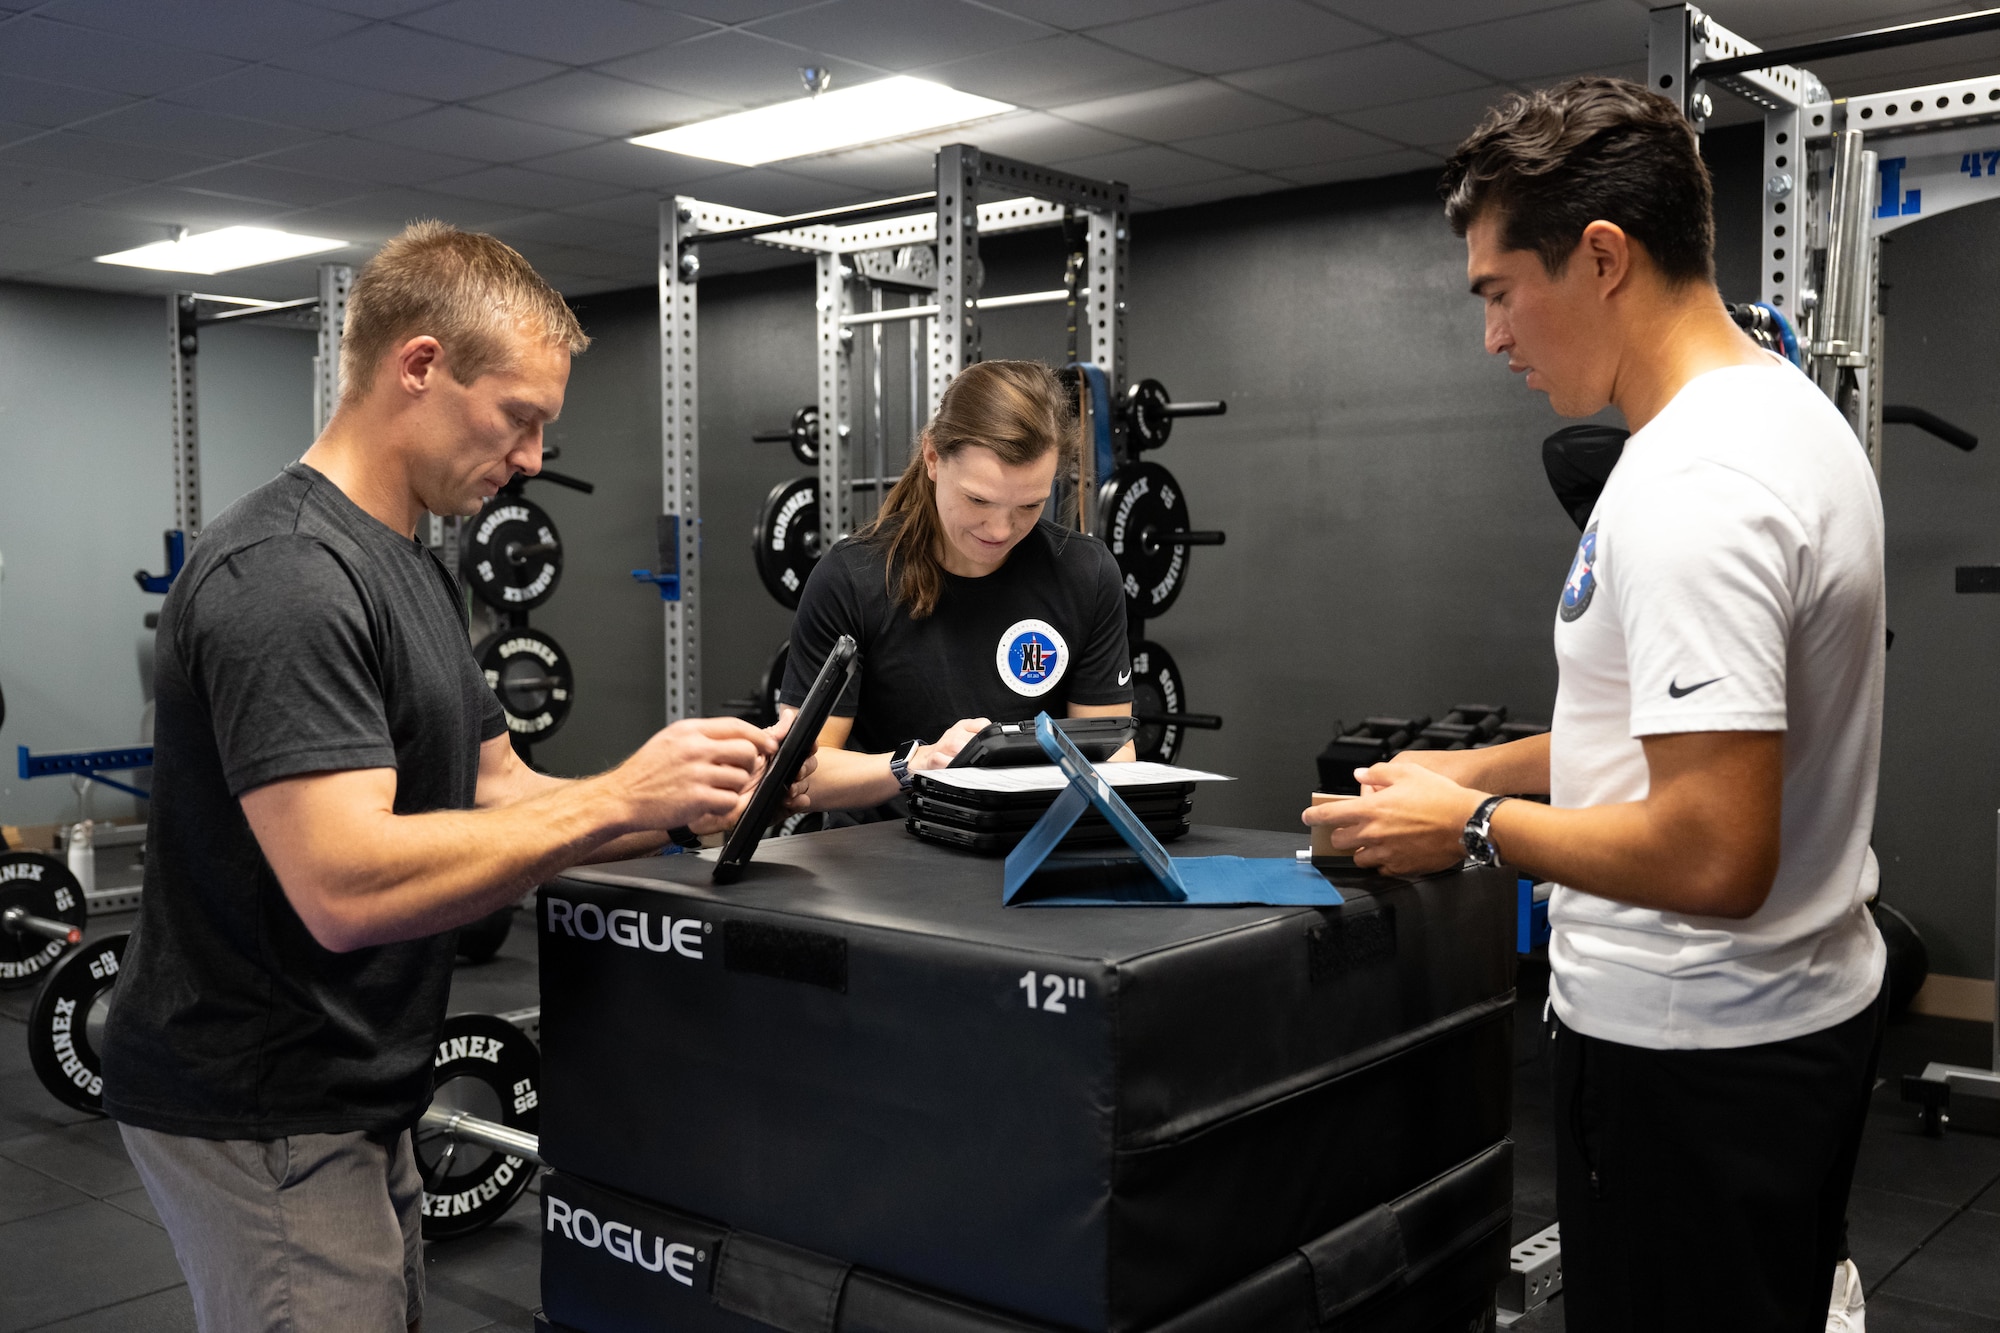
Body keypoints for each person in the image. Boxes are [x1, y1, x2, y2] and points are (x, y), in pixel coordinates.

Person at [100, 221, 800, 1333]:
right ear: (418, 367)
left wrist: (691, 797)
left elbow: (500, 795)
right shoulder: (288, 576)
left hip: (358, 1083)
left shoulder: (410, 567)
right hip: (258, 1102)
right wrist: (622, 797)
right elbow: (345, 885)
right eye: (518, 419)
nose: (530, 459)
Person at [1304, 78, 1886, 1333]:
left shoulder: (1696, 487)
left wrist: (1465, 833)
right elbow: (1668, 749)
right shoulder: (1782, 416)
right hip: (1780, 1036)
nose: (1492, 337)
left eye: (1497, 292)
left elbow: (1714, 848)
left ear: (1604, 258)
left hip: (1695, 1066)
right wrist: (1479, 771)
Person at [781, 359, 1133, 813]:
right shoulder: (853, 578)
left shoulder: (1087, 573)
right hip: (880, 862)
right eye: (978, 499)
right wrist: (918, 763)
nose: (1001, 529)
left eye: (1030, 505)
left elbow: (1113, 754)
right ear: (932, 458)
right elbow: (798, 776)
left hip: (1028, 850)